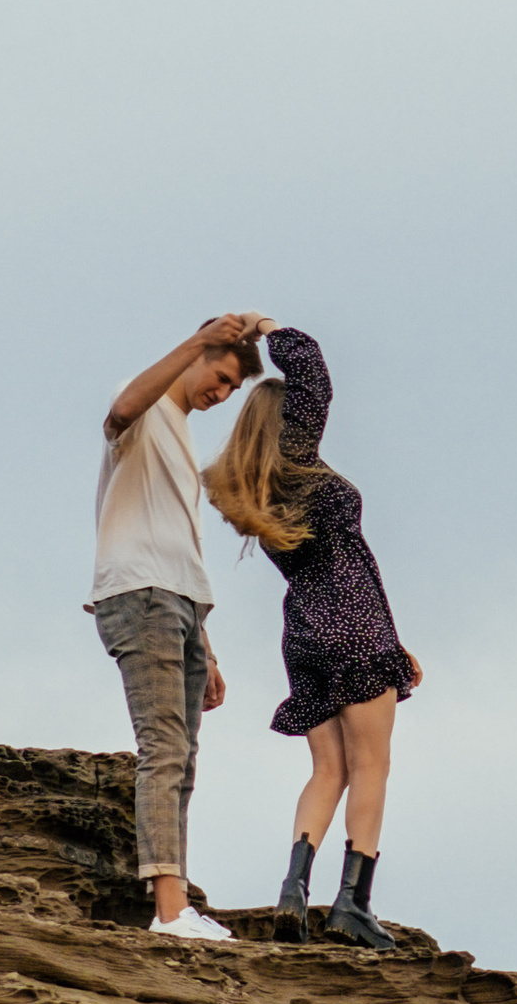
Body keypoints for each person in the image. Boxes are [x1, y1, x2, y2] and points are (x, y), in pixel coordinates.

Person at [204, 324, 421, 951]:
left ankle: (293, 892)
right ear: (289, 423)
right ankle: (353, 903)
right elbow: (314, 379)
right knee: (371, 766)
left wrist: (394, 641)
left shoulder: (259, 488)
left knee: (328, 769)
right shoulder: (301, 462)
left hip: (304, 629)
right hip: (355, 622)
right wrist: (269, 330)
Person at [89, 311, 267, 947]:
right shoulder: (141, 407)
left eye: (229, 389)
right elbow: (120, 410)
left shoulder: (182, 436)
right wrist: (203, 337)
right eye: (218, 377)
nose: (219, 395)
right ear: (198, 354)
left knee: (183, 759)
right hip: (141, 594)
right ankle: (169, 913)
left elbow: (182, 539)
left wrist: (208, 647)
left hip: (182, 604)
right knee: (163, 750)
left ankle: (175, 902)